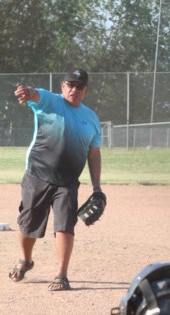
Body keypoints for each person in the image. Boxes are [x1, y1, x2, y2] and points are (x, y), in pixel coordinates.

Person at [9, 69, 103, 291]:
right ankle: (25, 260)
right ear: (62, 86)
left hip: (68, 181)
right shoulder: (51, 101)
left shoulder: (91, 118)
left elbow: (94, 154)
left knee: (65, 225)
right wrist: (27, 92)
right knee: (29, 222)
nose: (74, 90)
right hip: (38, 174)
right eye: (70, 85)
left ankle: (61, 275)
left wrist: (97, 187)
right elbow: (35, 95)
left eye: (79, 87)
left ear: (86, 91)